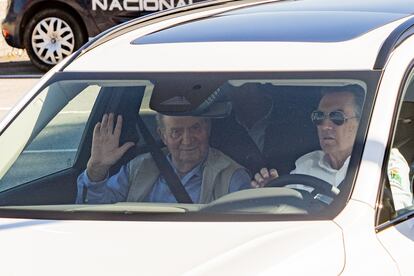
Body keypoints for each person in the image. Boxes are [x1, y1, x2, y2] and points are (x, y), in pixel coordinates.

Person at [251, 85, 413, 209]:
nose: (325, 126)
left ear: (362, 123)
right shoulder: (306, 163)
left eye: (337, 117)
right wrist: (273, 191)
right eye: (319, 117)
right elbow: (288, 208)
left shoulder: (382, 160)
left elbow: (397, 211)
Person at [76, 113, 251, 204]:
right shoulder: (138, 168)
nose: (187, 140)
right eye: (176, 132)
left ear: (208, 129)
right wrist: (96, 170)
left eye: (195, 128)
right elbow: (92, 213)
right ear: (163, 136)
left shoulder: (231, 176)